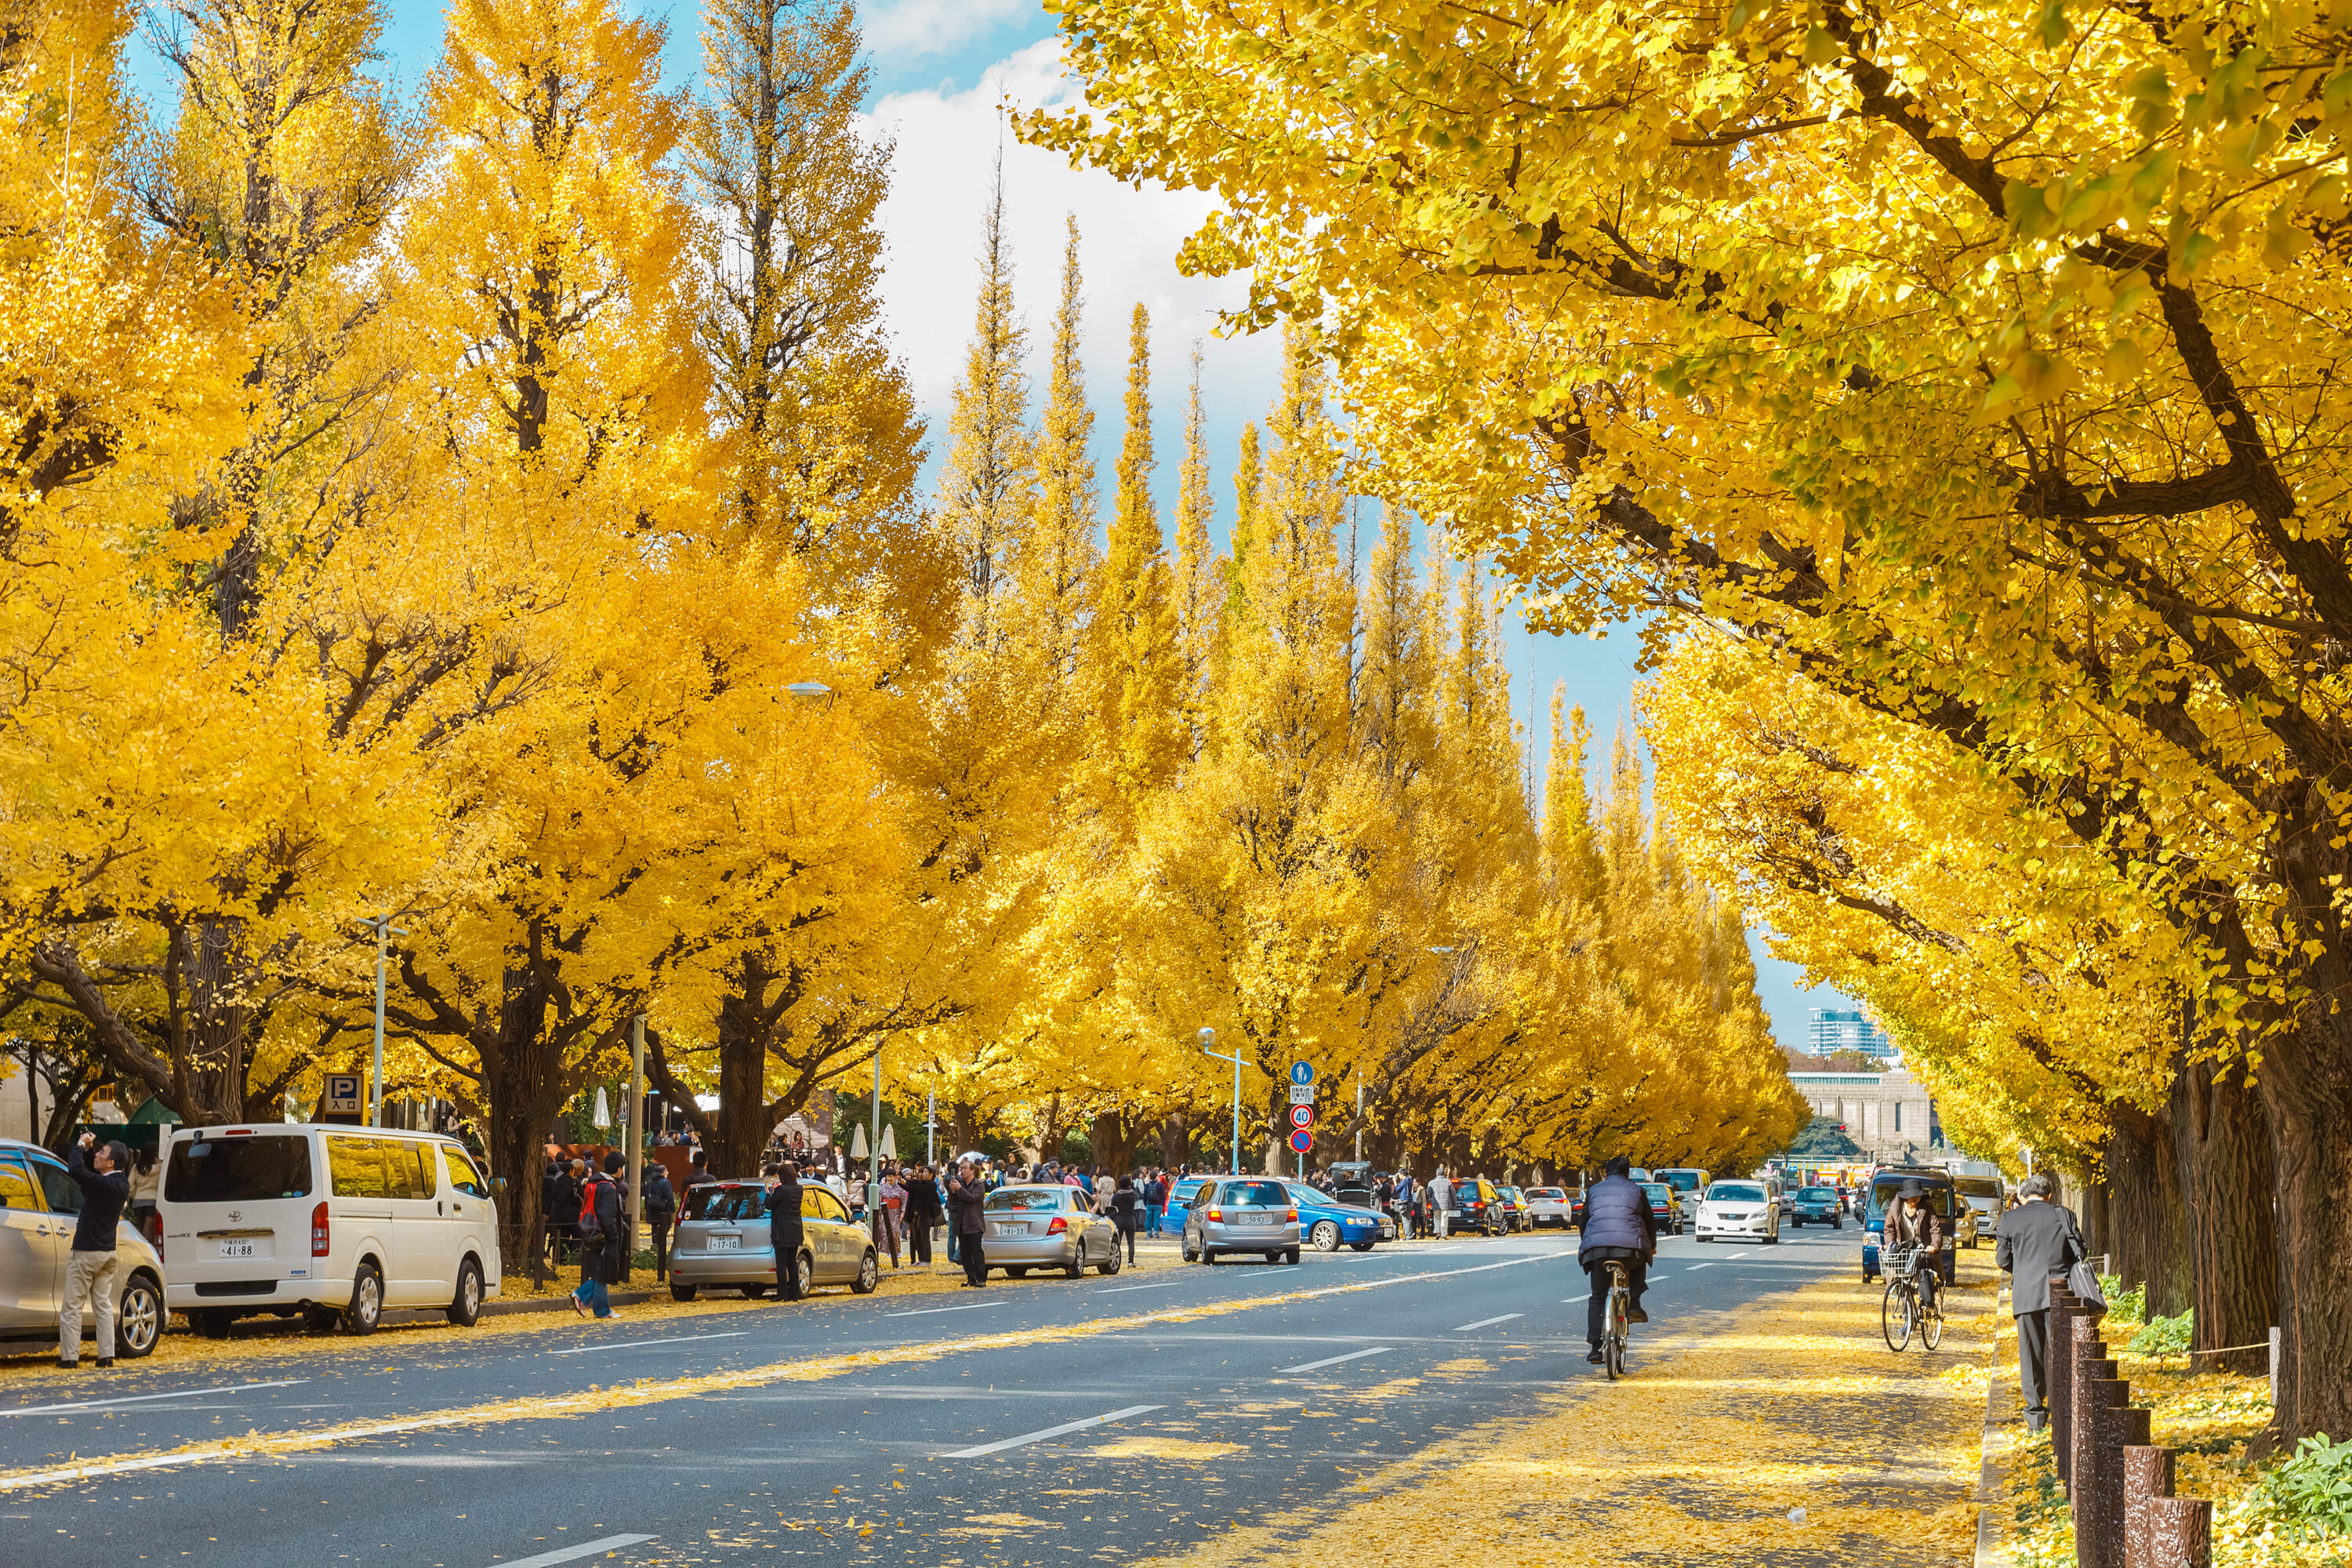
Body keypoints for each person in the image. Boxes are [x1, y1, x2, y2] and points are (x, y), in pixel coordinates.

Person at [1994, 1173, 2083, 1434]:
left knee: (2031, 1355)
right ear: (2049, 1195)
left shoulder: (2010, 1218)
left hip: (2026, 1294)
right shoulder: (2064, 1215)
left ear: (2023, 1196)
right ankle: (2064, 1410)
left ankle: (2035, 1417)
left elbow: (2002, 1259)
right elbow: (2080, 1252)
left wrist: (2022, 1270)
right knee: (2061, 1352)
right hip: (2062, 1293)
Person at [57, 1134, 129, 1369]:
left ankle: (69, 1357)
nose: (98, 1154)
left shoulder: (103, 1185)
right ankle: (106, 1355)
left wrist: (80, 1145)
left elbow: (77, 1171)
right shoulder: (120, 1184)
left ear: (111, 1162)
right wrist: (89, 1149)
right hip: (107, 1253)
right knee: (103, 1306)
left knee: (72, 1307)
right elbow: (90, 1173)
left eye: (101, 1152)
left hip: (86, 1252)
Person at [1577, 1155, 1657, 1364]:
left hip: (1597, 1251)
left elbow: (1584, 1221)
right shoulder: (1637, 1191)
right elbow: (1649, 1221)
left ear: (1605, 1173)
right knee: (1640, 1260)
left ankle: (1595, 1348)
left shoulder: (1593, 1191)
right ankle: (1634, 1303)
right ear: (1628, 1174)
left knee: (1598, 1297)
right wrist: (1652, 1246)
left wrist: (1587, 1242)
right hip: (1630, 1251)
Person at [569, 1153, 624, 1319]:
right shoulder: (609, 1188)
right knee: (603, 1273)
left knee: (601, 1271)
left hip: (592, 1231)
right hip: (603, 1234)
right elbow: (607, 1215)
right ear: (619, 1169)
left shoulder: (596, 1182)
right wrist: (613, 1235)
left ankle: (596, 1305)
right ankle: (594, 1304)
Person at [1887, 1180, 1947, 1318]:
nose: (1916, 1198)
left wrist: (1934, 1245)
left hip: (1922, 1248)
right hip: (1903, 1249)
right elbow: (1889, 1228)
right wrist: (1891, 1245)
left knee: (1924, 1272)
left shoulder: (1927, 1209)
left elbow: (1935, 1229)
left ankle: (1928, 1304)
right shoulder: (1895, 1209)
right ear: (1905, 1196)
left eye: (1918, 1195)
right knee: (1902, 1281)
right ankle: (1907, 1315)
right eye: (1913, 1196)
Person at [765, 1161, 806, 1298]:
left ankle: (782, 1293)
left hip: (782, 1230)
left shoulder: (781, 1190)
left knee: (781, 1264)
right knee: (792, 1263)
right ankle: (794, 1292)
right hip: (795, 1229)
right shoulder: (799, 1189)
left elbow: (770, 1204)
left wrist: (768, 1193)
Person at [948, 1154, 989, 1287]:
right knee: (965, 1254)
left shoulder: (979, 1185)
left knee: (976, 1252)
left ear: (972, 1171)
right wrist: (953, 1192)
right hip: (961, 1223)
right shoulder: (960, 1184)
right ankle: (971, 1278)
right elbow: (952, 1202)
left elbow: (972, 1198)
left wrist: (959, 1190)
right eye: (961, 1168)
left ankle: (981, 1278)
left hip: (974, 1223)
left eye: (965, 1168)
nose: (962, 1171)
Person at [644, 1160, 677, 1283]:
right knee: (664, 1229)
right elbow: (669, 1197)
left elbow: (646, 1197)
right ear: (664, 1172)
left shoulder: (650, 1182)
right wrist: (673, 1209)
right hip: (663, 1211)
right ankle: (661, 1251)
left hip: (652, 1211)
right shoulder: (665, 1183)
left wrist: (647, 1210)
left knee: (654, 1230)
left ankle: (655, 1248)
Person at [125, 1144, 162, 1243]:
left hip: (138, 1202)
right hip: (152, 1202)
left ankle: (138, 1248)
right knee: (148, 1230)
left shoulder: (136, 1167)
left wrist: (134, 1194)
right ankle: (147, 1249)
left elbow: (129, 1185)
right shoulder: (160, 1168)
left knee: (138, 1230)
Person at [877, 1167, 906, 1267]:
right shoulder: (882, 1189)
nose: (889, 1178)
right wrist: (879, 1214)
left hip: (896, 1212)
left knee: (895, 1231)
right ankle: (888, 1250)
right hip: (885, 1211)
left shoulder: (900, 1189)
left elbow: (904, 1201)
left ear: (894, 1177)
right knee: (885, 1231)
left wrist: (903, 1212)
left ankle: (897, 1250)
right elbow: (879, 1201)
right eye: (888, 1176)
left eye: (891, 1176)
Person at [1109, 1175, 1142, 1264]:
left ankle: (1116, 1260)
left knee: (1117, 1242)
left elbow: (1112, 1209)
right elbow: (1138, 1196)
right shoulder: (1133, 1195)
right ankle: (1130, 1262)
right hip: (1130, 1219)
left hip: (1119, 1220)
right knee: (1131, 1242)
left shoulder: (1116, 1196)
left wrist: (1113, 1219)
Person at [1430, 1168, 1453, 1239]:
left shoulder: (1431, 1183)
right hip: (1446, 1204)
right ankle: (1444, 1235)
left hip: (1436, 1204)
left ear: (1436, 1174)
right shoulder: (1448, 1182)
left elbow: (1429, 1192)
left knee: (1437, 1218)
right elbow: (1452, 1194)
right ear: (1444, 1174)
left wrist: (1431, 1199)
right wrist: (1454, 1204)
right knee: (1444, 1219)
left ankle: (1437, 1232)